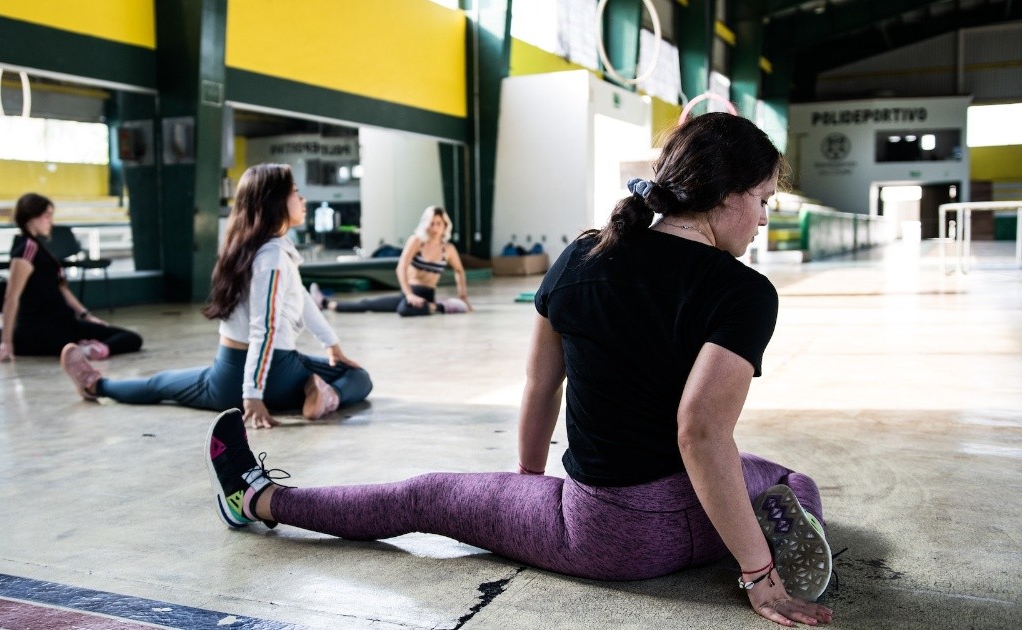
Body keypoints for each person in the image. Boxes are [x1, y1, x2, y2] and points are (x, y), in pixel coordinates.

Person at [203, 113, 835, 626]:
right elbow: (703, 438)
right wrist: (757, 571)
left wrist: (530, 483)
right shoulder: (745, 291)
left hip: (608, 536)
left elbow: (543, 383)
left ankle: (256, 498)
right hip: (704, 523)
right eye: (760, 200)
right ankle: (776, 534)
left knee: (425, 497)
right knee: (784, 477)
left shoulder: (585, 255)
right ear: (724, 196)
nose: (761, 218)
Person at [61, 163, 372, 428]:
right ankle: (326, 394)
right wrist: (252, 393)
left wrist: (331, 344)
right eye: (294, 192)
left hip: (227, 373)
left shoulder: (247, 250)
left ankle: (96, 384)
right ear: (275, 201)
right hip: (273, 374)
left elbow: (301, 298)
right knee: (358, 378)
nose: (302, 198)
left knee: (159, 384)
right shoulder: (273, 257)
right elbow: (265, 329)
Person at [0, 193, 143, 362]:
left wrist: (87, 316)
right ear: (32, 217)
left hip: (64, 326)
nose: (51, 222)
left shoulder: (41, 249)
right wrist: (7, 342)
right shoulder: (26, 250)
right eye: (47, 216)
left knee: (130, 338)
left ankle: (95, 349)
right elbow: (11, 297)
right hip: (39, 330)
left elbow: (61, 288)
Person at [312, 206, 471, 316]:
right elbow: (401, 267)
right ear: (426, 224)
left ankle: (436, 306)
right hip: (409, 292)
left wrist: (463, 295)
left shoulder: (448, 249)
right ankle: (324, 303)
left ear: (445, 226)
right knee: (368, 304)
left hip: (427, 295)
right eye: (432, 223)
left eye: (439, 223)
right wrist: (409, 294)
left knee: (404, 310)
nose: (435, 228)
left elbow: (459, 271)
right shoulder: (417, 241)